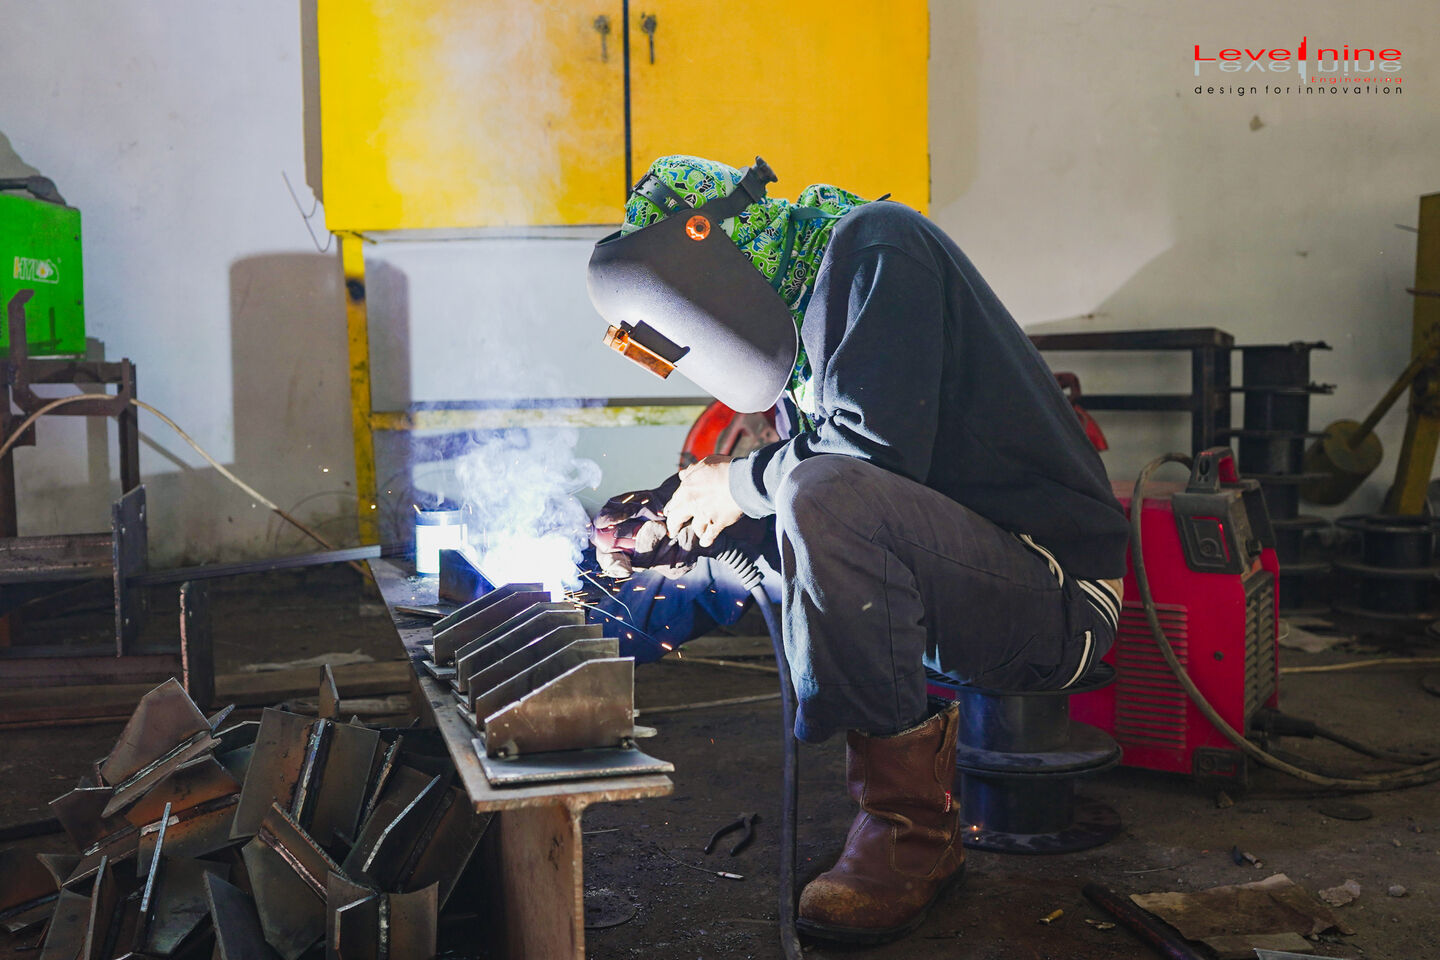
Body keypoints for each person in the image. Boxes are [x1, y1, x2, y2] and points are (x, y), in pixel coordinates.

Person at [586, 155, 1128, 944]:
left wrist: (732, 484)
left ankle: (912, 838)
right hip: (956, 572)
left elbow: (866, 462)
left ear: (713, 249)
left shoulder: (877, 248)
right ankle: (606, 619)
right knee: (777, 501)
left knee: (820, 492)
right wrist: (678, 521)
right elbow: (809, 494)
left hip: (1056, 595)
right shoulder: (797, 340)